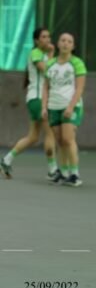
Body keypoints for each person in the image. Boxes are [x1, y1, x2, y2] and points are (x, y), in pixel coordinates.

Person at [1, 28, 58, 181]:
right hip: (38, 99)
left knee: (33, 137)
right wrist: (52, 54)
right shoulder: (35, 53)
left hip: (35, 100)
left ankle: (6, 160)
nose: (47, 39)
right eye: (44, 37)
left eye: (49, 36)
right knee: (50, 134)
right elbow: (48, 71)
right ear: (36, 40)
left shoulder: (44, 55)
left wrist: (51, 55)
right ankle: (53, 171)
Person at [42, 33, 87, 187]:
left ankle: (75, 174)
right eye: (63, 40)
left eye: (69, 41)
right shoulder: (50, 64)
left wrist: (70, 107)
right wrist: (44, 107)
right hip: (53, 106)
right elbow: (45, 87)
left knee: (68, 139)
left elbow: (80, 88)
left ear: (73, 46)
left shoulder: (77, 63)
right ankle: (65, 172)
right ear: (58, 43)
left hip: (70, 106)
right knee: (60, 141)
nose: (66, 43)